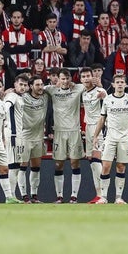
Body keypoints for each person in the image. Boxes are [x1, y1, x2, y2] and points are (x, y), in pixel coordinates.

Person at [92, 74, 128, 204]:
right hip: (110, 137)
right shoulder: (108, 100)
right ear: (113, 85)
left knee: (120, 167)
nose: (120, 84)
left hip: (125, 138)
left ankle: (118, 197)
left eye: (122, 82)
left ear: (125, 84)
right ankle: (103, 197)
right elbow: (102, 118)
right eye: (117, 82)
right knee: (106, 166)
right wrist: (96, 136)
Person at [46, 69, 86, 203]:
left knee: (75, 162)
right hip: (59, 132)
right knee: (59, 164)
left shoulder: (77, 88)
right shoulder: (52, 90)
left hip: (74, 131)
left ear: (70, 79)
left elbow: (88, 85)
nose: (65, 81)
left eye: (67, 78)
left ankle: (74, 197)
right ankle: (59, 196)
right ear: (58, 79)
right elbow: (36, 89)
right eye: (62, 78)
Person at [17, 75, 49, 203]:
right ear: (30, 86)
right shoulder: (23, 97)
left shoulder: (45, 96)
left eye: (41, 84)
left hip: (38, 137)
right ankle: (24, 196)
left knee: (36, 166)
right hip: (25, 137)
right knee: (23, 166)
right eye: (37, 85)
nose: (40, 87)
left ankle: (34, 195)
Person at [80, 67, 107, 203]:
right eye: (83, 76)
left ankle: (103, 195)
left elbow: (107, 104)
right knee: (91, 160)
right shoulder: (84, 93)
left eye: (88, 76)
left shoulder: (100, 91)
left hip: (99, 127)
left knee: (97, 159)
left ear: (92, 77)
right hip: (88, 128)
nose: (86, 79)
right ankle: (98, 194)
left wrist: (103, 95)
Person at [3, 73, 29, 201]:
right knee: (13, 165)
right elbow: (6, 106)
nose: (23, 87)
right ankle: (10, 195)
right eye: (21, 84)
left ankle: (12, 195)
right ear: (15, 85)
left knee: (16, 165)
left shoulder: (20, 97)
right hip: (13, 134)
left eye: (25, 85)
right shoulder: (12, 96)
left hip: (18, 134)